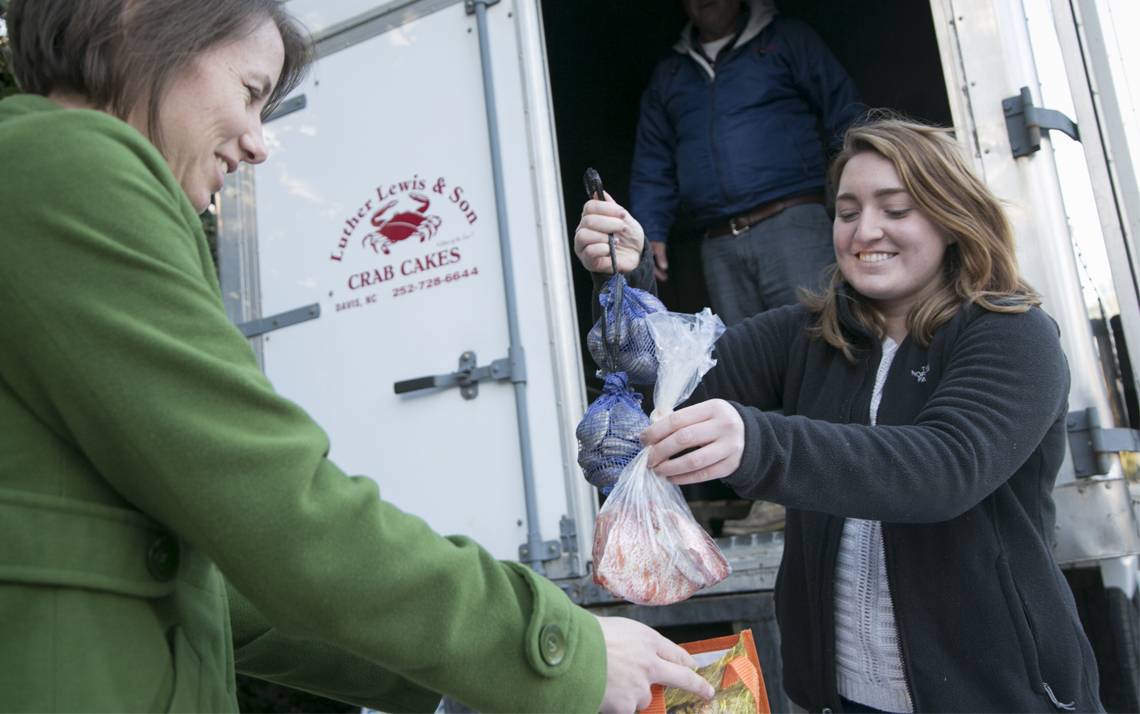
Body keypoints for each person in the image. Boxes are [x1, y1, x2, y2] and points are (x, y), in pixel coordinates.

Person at [0, 1, 717, 712]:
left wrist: (478, 679)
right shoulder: (70, 167)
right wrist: (552, 650)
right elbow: (281, 508)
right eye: (250, 94)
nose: (258, 144)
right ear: (138, 18)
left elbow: (229, 596)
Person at [575, 118, 1104, 712]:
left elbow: (944, 469)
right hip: (841, 699)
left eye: (895, 209)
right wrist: (627, 272)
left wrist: (757, 444)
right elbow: (674, 382)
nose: (865, 230)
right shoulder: (810, 335)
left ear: (953, 219)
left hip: (999, 697)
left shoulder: (1013, 334)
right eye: (847, 211)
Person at [633, 0, 862, 325]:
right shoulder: (669, 73)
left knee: (824, 338)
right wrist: (650, 231)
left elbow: (845, 113)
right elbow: (652, 160)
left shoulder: (786, 38)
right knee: (748, 361)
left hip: (794, 223)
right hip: (719, 243)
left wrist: (861, 199)